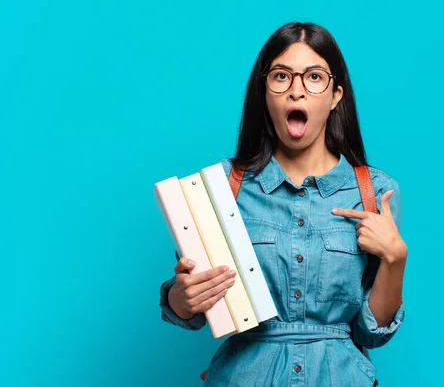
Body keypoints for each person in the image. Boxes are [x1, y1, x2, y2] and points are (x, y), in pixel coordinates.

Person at [158, 21, 408, 386]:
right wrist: (182, 297)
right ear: (264, 92)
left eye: (314, 77)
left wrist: (394, 260)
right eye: (281, 77)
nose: (296, 91)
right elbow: (189, 310)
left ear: (336, 94)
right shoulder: (223, 187)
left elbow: (372, 334)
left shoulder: (376, 192)